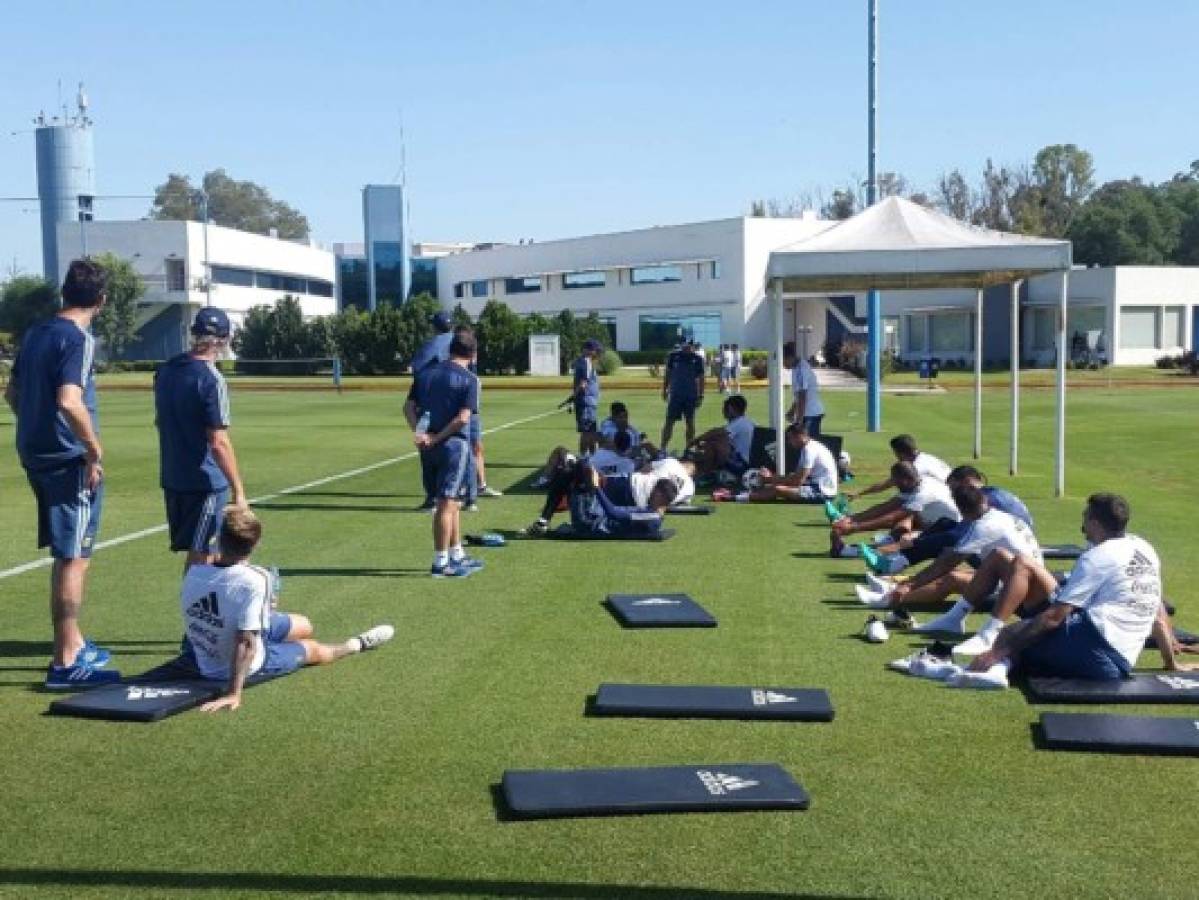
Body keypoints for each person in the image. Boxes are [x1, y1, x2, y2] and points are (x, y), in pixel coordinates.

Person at [6, 259, 120, 690]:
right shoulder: (78, 338)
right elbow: (70, 401)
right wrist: (93, 450)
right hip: (67, 458)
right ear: (102, 300)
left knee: (73, 552)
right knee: (72, 558)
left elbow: (12, 392)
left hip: (34, 452)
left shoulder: (36, 332)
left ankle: (74, 642)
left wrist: (33, 426)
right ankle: (65, 662)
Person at [953, 493, 1192, 689]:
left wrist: (998, 651)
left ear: (1096, 525)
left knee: (1010, 635)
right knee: (1026, 632)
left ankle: (993, 670)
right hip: (1121, 659)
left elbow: (1053, 618)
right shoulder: (1145, 549)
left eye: (1086, 519)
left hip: (1094, 650)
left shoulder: (1097, 557)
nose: (1083, 525)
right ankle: (1001, 663)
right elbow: (1157, 612)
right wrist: (1170, 662)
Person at [180, 506, 394, 712]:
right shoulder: (257, 578)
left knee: (305, 624)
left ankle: (279, 640)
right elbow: (245, 642)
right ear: (256, 544)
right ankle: (353, 645)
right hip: (229, 666)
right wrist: (234, 692)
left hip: (217, 637)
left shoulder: (194, 570)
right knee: (312, 648)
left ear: (219, 540)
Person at [873, 483, 1041, 634]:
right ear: (984, 500)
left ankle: (889, 597)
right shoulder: (1001, 516)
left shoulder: (984, 527)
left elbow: (946, 562)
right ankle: (893, 591)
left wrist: (909, 585)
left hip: (1021, 597)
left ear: (961, 510)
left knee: (951, 577)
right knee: (956, 572)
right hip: (1030, 583)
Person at [154, 307, 247, 572]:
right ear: (223, 339)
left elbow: (160, 421)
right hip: (204, 481)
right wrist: (238, 490)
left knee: (202, 553)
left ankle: (204, 610)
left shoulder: (166, 370)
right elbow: (218, 441)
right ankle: (194, 612)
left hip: (173, 476)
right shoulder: (211, 379)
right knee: (202, 557)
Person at [404, 326, 485, 578]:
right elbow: (463, 418)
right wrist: (439, 437)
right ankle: (440, 562)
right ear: (473, 354)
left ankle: (457, 553)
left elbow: (408, 407)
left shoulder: (425, 374)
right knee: (446, 503)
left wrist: (421, 434)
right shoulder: (470, 380)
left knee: (453, 503)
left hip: (428, 446)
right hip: (453, 446)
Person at [412, 313, 500, 509]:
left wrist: (419, 430)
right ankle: (470, 496)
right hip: (466, 399)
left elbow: (418, 372)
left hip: (436, 403)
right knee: (467, 447)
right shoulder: (464, 339)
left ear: (434, 327)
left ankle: (433, 498)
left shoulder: (431, 345)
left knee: (431, 450)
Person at [832, 461, 962, 560]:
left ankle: (849, 552)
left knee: (905, 543)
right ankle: (891, 539)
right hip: (934, 523)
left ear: (905, 480)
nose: (894, 484)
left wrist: (854, 528)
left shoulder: (923, 494)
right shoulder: (917, 483)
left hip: (951, 530)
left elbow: (891, 518)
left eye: (896, 481)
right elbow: (886, 507)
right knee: (906, 520)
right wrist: (850, 519)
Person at [525, 458, 678, 538]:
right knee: (572, 470)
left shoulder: (650, 516)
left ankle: (543, 520)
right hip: (593, 514)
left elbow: (613, 513)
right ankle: (543, 520)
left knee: (577, 468)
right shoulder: (651, 513)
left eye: (653, 491)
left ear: (660, 496)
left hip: (587, 521)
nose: (650, 493)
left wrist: (596, 486)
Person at [715, 424, 837, 503]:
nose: (789, 442)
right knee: (776, 487)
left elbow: (797, 481)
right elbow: (795, 477)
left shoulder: (810, 450)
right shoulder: (810, 447)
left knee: (777, 489)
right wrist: (772, 478)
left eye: (790, 438)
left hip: (822, 492)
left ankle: (733, 497)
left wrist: (769, 479)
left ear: (799, 436)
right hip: (818, 486)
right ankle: (738, 495)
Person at [850, 434, 950, 500]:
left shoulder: (916, 468)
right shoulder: (928, 458)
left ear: (900, 453)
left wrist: (860, 493)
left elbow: (886, 484)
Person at [686, 395, 755, 479]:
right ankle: (707, 472)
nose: (723, 411)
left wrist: (696, 441)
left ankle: (702, 474)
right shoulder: (748, 422)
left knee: (712, 446)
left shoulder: (738, 423)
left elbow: (717, 432)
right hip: (749, 464)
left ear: (731, 409)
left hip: (742, 465)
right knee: (716, 444)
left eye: (725, 408)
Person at [660, 339, 705, 451]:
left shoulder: (697, 359)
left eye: (689, 346)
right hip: (676, 395)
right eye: (685, 346)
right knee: (669, 421)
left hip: (690, 395)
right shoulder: (673, 356)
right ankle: (663, 448)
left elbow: (701, 378)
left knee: (690, 422)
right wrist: (665, 389)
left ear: (692, 346)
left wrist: (701, 395)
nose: (687, 348)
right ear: (681, 345)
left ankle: (688, 448)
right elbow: (668, 374)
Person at [784, 341, 824, 437]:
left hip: (811, 414)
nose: (783, 364)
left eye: (783, 360)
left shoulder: (802, 370)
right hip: (807, 414)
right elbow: (798, 395)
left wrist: (798, 421)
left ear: (790, 358)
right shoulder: (796, 368)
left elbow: (802, 396)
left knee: (808, 444)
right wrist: (792, 410)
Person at [572, 339, 602, 454]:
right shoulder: (586, 362)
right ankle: (584, 457)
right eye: (596, 350)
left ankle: (592, 457)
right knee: (587, 432)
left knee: (590, 432)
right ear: (590, 350)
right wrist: (575, 395)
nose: (597, 353)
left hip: (587, 401)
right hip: (586, 402)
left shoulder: (581, 361)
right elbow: (583, 383)